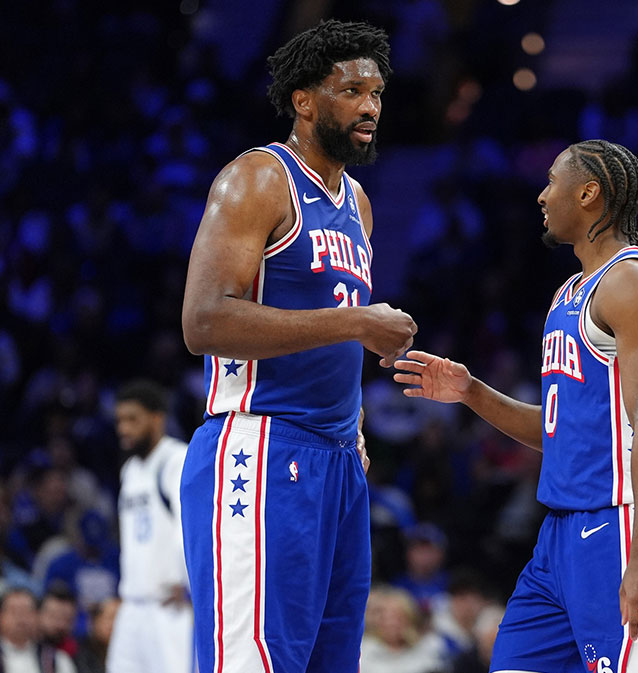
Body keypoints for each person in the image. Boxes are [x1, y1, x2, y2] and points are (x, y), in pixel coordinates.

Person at [394, 139, 638, 672]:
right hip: (560, 534)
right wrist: (472, 392)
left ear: (588, 193)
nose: (541, 195)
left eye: (552, 181)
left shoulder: (632, 282)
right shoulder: (569, 292)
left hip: (625, 526)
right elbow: (564, 431)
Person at [178, 19, 416, 673]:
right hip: (260, 446)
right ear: (304, 100)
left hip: (336, 461)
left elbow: (334, 330)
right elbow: (204, 321)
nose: (370, 105)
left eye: (377, 92)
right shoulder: (258, 178)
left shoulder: (358, 204)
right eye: (352, 89)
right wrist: (357, 325)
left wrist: (356, 420)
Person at [106, 380, 191, 673]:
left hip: (169, 606)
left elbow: (190, 527)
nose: (123, 429)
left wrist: (190, 582)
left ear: (157, 418)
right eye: (120, 420)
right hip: (131, 605)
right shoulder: (130, 470)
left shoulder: (177, 460)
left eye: (132, 420)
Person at [0, 589, 75, 673]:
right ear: (0, 617)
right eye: (14, 611)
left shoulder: (56, 659)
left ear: (37, 616)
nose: (21, 617)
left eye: (27, 611)